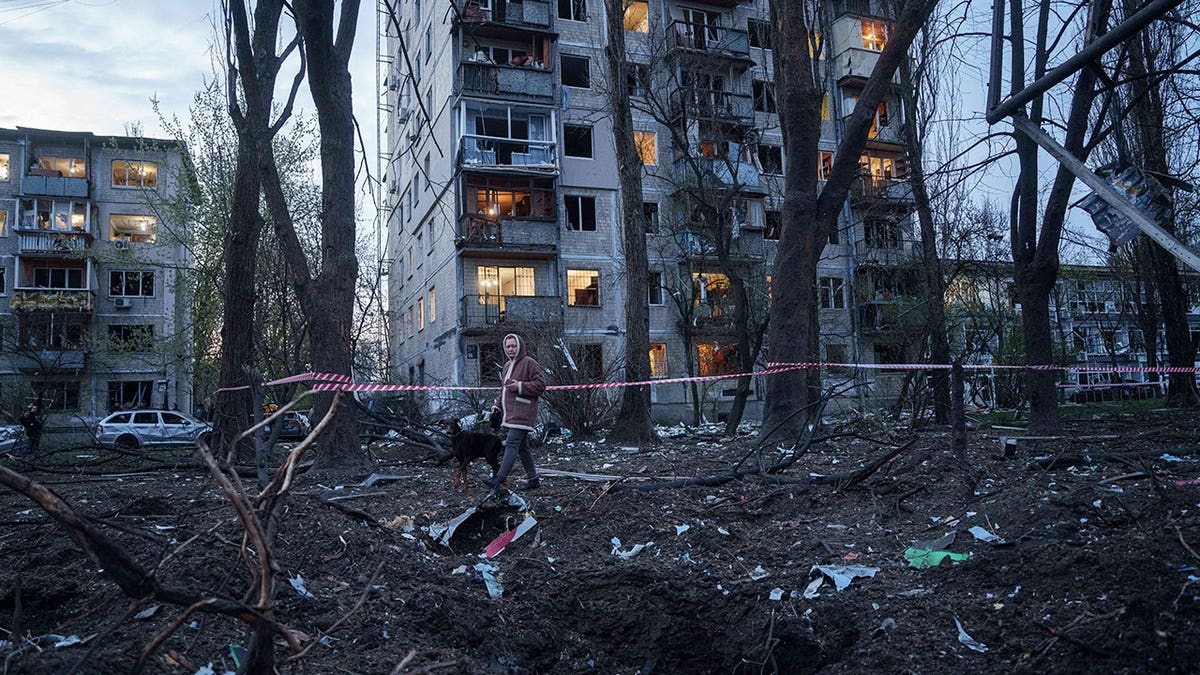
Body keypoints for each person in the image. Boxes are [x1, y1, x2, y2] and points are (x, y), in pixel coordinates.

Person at [485, 333, 546, 490]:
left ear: (520, 346)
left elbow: (540, 385)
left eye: (514, 346)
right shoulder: (506, 366)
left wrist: (520, 386)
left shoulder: (529, 363)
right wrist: (497, 405)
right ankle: (533, 479)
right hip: (511, 413)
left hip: (523, 411)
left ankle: (499, 479)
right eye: (508, 346)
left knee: (511, 443)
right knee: (522, 447)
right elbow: (504, 389)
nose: (511, 349)